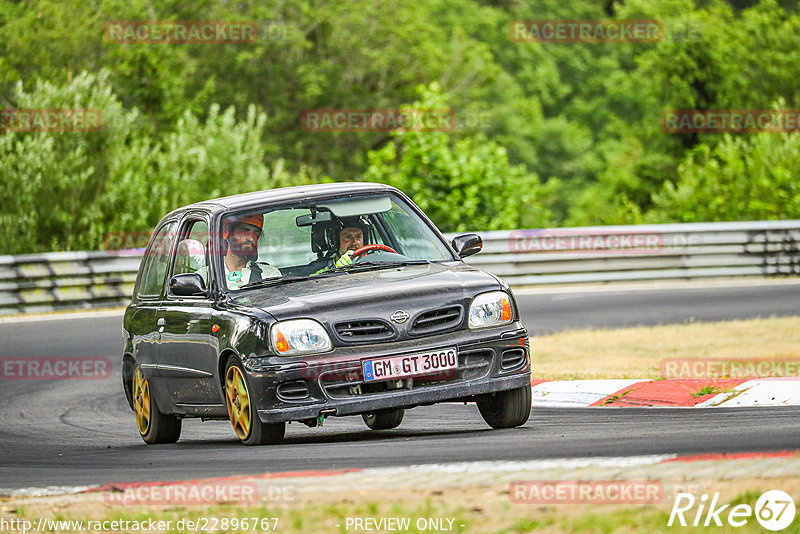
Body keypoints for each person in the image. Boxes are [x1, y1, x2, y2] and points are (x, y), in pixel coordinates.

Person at [221, 214, 281, 289]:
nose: (251, 238)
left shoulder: (270, 274)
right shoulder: (207, 275)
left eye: (256, 233)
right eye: (244, 231)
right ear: (226, 233)